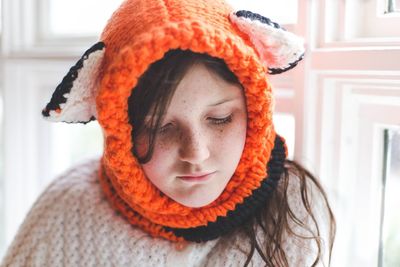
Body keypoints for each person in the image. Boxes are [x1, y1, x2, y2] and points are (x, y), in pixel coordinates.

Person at [1, 0, 336, 266]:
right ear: (121, 130)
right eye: (161, 127)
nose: (196, 152)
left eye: (219, 118)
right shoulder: (66, 211)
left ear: (254, 109)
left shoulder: (293, 210)